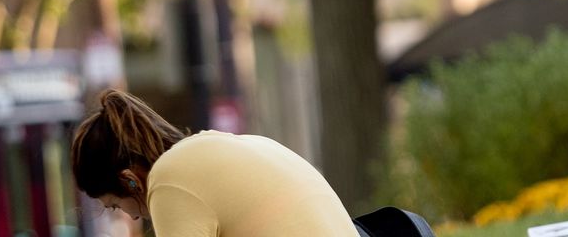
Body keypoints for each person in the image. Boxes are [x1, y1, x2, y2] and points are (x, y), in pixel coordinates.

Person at [69, 89, 355, 236]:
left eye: (116, 205)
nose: (130, 216)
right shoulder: (228, 144)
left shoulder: (169, 178)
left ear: (129, 179)